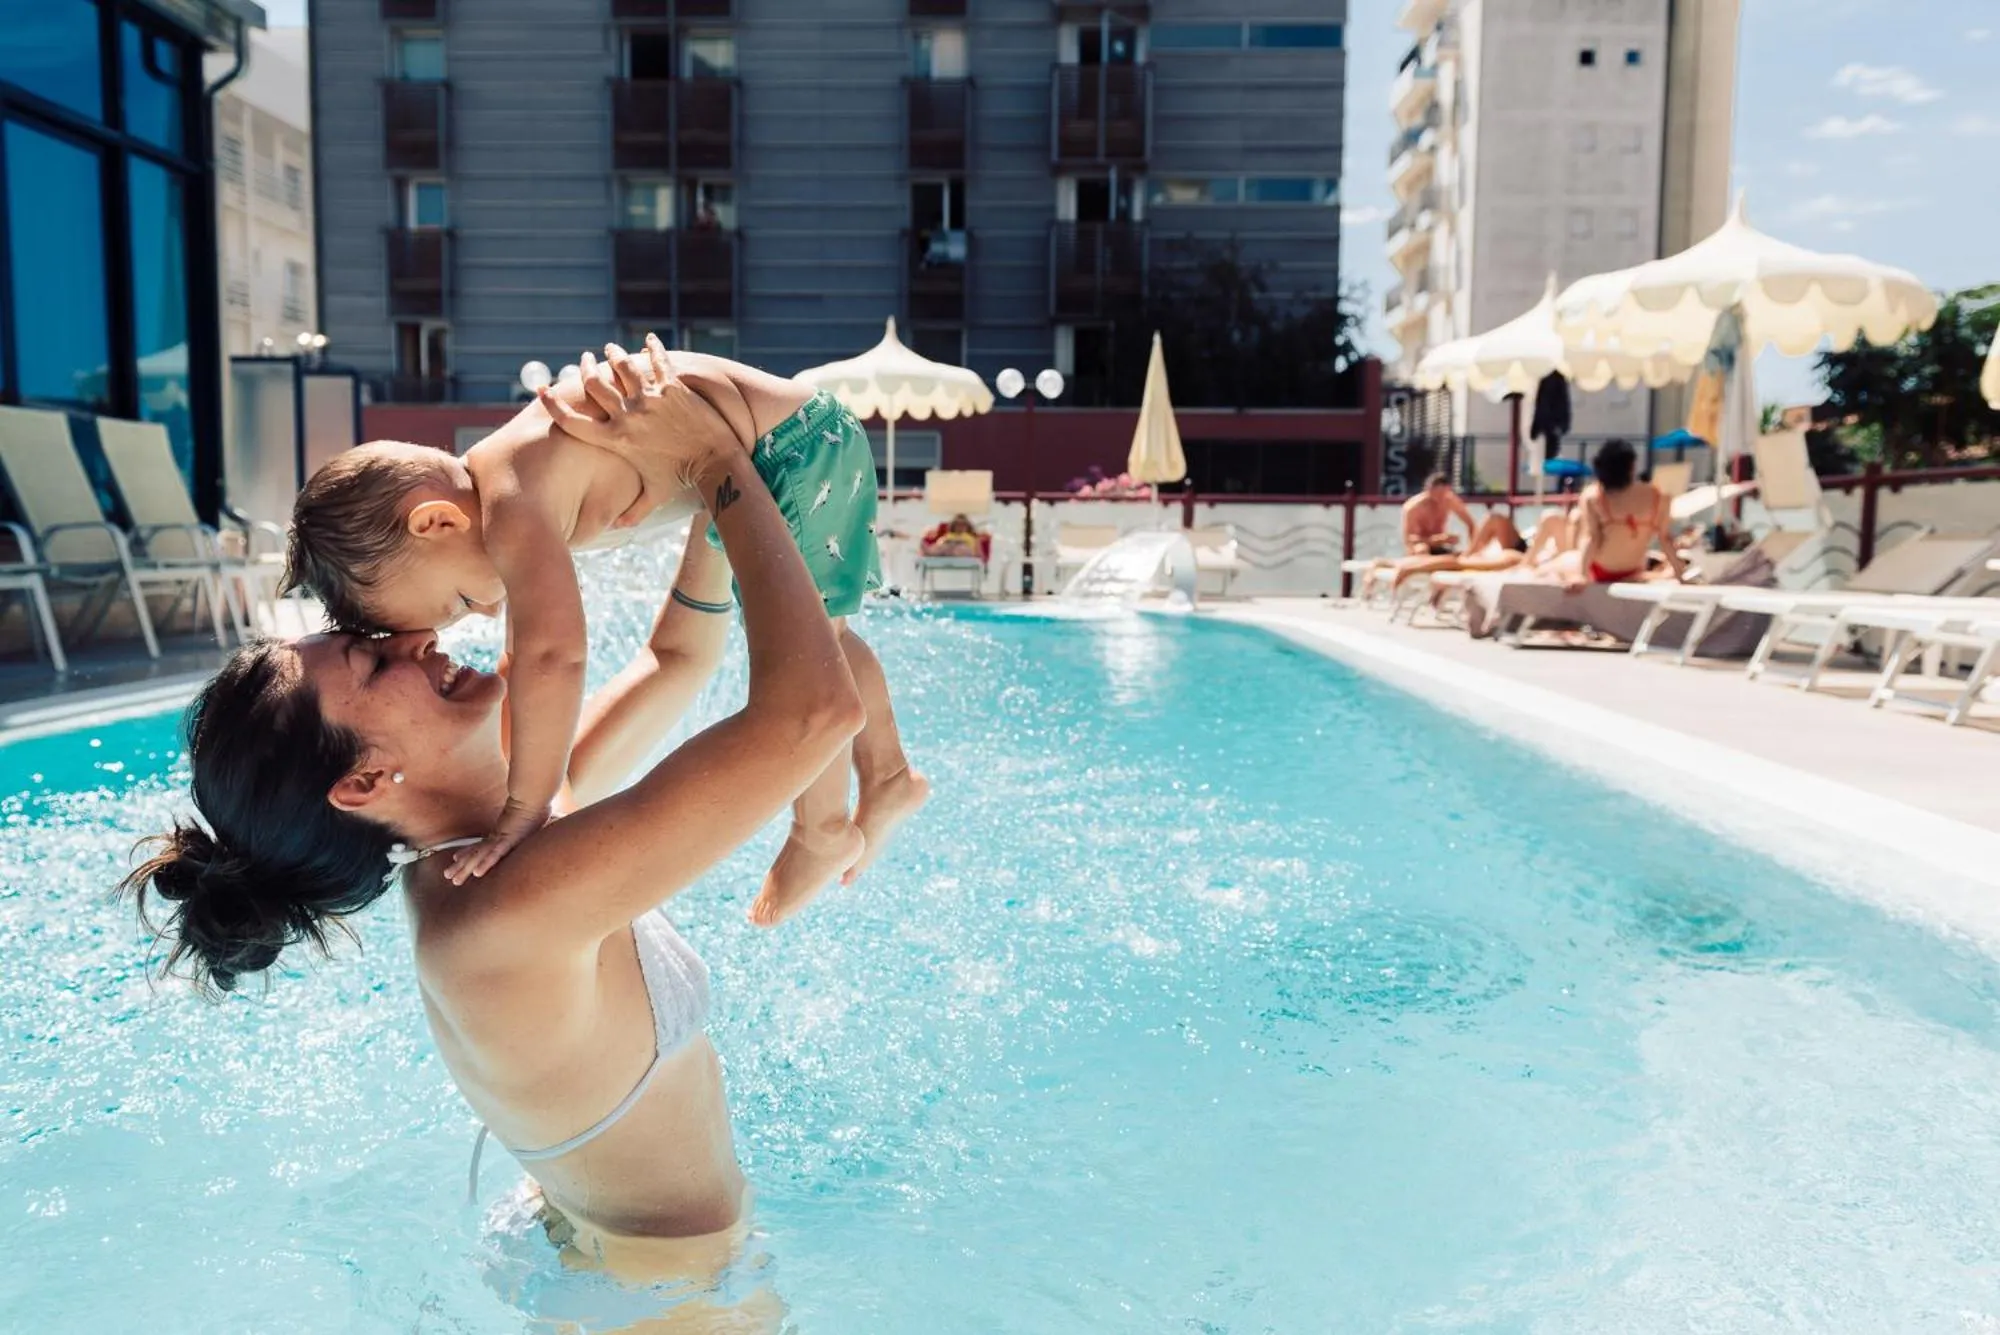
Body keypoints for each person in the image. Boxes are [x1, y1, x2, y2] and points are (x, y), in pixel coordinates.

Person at [122, 359, 854, 1322]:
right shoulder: (500, 915)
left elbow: (678, 658)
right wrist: (721, 462)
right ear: (364, 782)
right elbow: (812, 716)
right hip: (661, 1296)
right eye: (373, 659)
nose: (416, 636)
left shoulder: (503, 832)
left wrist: (695, 450)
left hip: (585, 1237)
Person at [283, 335, 926, 927]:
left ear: (437, 523)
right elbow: (525, 656)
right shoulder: (511, 477)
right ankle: (888, 774)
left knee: (807, 650)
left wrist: (525, 809)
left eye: (459, 600)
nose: (483, 613)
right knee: (827, 636)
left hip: (785, 451)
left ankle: (822, 827)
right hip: (795, 439)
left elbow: (552, 656)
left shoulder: (510, 505)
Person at [1567, 438, 1688, 589]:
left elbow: (1592, 539)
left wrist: (1581, 575)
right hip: (1634, 569)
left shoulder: (1593, 495)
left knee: (1552, 565)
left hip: (1598, 569)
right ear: (1632, 466)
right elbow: (1665, 539)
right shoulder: (1658, 496)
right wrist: (1680, 576)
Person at [1402, 472, 1477, 556]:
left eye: (1443, 494)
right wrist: (1437, 540)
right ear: (1429, 490)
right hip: (1420, 546)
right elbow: (1410, 539)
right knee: (1421, 549)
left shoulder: (1450, 500)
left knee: (1461, 554)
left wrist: (1472, 548)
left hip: (1440, 545)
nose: (1440, 498)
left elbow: (1471, 524)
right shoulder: (1414, 507)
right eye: (1437, 494)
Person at [920, 513, 989, 562]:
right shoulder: (949, 535)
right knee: (943, 547)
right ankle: (929, 551)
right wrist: (942, 543)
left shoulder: (972, 537)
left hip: (965, 550)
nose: (960, 527)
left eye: (963, 525)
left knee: (960, 549)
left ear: (967, 527)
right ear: (953, 526)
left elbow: (978, 553)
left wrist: (979, 557)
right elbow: (940, 543)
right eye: (957, 525)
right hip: (949, 547)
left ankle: (951, 552)